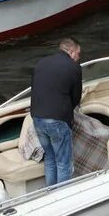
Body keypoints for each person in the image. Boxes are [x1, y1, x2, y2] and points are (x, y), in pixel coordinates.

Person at [30, 39, 83, 187]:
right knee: (63, 163)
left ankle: (50, 193)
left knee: (50, 159)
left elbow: (35, 88)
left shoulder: (41, 63)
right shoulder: (74, 68)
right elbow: (76, 98)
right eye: (78, 54)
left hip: (37, 117)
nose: (79, 58)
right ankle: (62, 199)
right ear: (71, 51)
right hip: (57, 120)